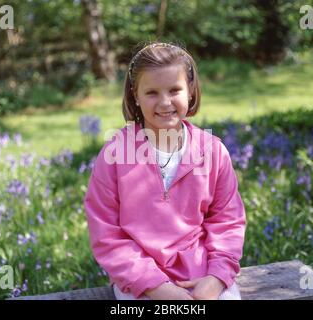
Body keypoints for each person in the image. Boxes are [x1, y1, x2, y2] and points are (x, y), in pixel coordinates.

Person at [84, 42, 246, 300]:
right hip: (139, 281)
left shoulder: (212, 152)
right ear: (135, 95)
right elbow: (107, 235)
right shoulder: (115, 155)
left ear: (190, 91)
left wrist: (215, 279)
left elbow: (227, 222)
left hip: (202, 275)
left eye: (174, 90)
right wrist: (157, 287)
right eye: (151, 92)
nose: (164, 102)